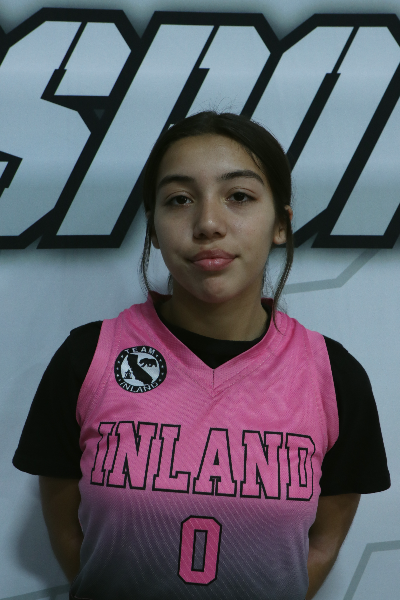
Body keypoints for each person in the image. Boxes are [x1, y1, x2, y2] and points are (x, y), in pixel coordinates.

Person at [13, 111, 390, 600]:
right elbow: (68, 530)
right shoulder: (87, 358)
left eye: (239, 196)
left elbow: (323, 540)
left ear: (280, 224)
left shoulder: (334, 376)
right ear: (153, 228)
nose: (208, 223)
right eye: (179, 199)